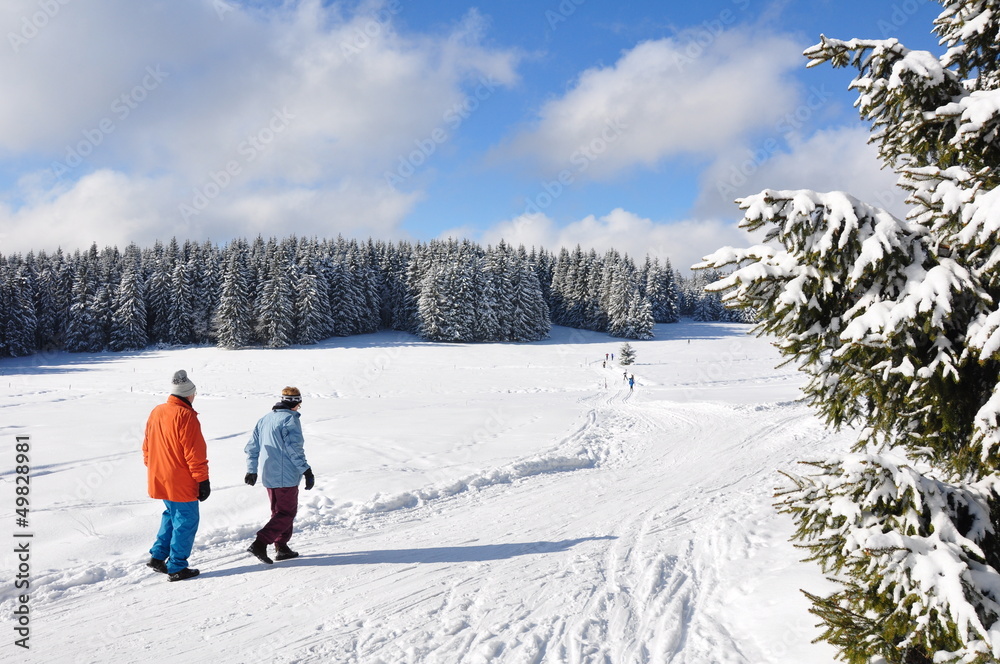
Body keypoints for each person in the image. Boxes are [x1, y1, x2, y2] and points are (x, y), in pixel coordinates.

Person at [143, 369, 210, 582]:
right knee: (187, 520)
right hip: (180, 479)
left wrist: (153, 466)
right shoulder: (186, 416)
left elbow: (147, 446)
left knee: (172, 515)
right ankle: (177, 567)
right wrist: (203, 479)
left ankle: (158, 557)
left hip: (160, 475)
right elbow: (194, 452)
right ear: (188, 395)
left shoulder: (157, 411)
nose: (194, 397)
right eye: (194, 393)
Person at [244, 387, 314, 564]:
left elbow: (252, 447)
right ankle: (260, 543)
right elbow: (294, 448)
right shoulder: (290, 419)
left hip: (269, 474)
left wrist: (251, 470)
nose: (299, 408)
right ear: (295, 402)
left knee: (278, 512)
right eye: (299, 404)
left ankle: (281, 547)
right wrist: (306, 469)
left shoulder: (265, 419)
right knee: (286, 513)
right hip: (286, 475)